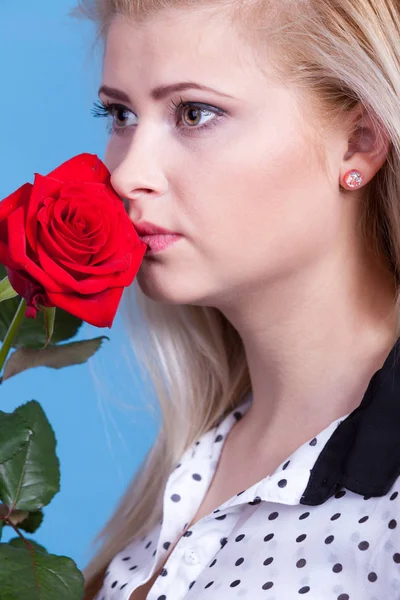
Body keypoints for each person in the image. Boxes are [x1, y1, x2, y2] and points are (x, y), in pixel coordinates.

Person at [70, 0, 400, 598]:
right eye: (118, 113)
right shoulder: (182, 472)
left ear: (359, 140)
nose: (125, 175)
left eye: (194, 113)